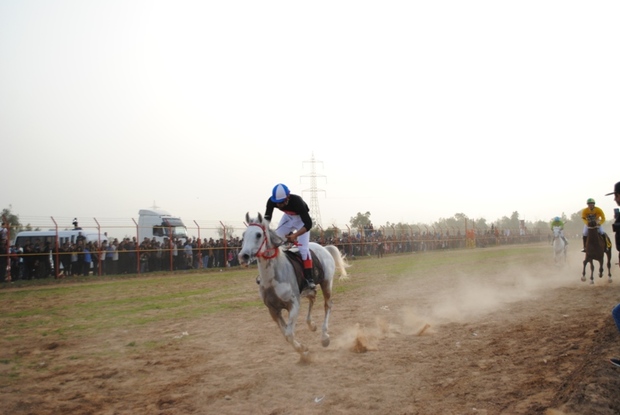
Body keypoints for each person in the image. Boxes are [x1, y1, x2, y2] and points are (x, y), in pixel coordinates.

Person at [264, 183, 316, 291]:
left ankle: (309, 278)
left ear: (288, 197)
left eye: (281, 202)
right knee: (275, 241)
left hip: (301, 220)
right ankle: (269, 273)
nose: (279, 205)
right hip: (288, 218)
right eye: (277, 203)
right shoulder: (271, 201)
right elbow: (267, 219)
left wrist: (295, 235)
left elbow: (308, 224)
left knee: (303, 249)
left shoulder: (297, 201)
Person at [606, 181, 620, 368]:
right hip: (588, 226)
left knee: (617, 312)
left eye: (616, 195)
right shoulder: (586, 212)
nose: (615, 198)